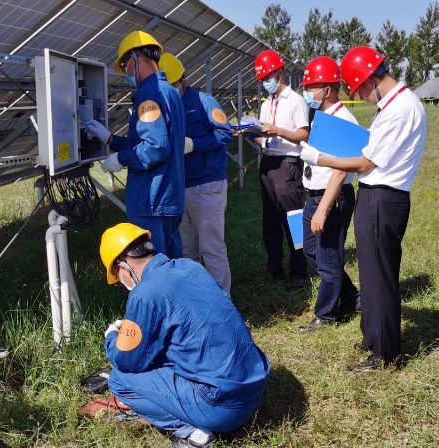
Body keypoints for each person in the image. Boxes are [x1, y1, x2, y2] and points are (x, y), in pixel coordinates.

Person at [300, 47, 427, 372]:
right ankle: (373, 337)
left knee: (379, 278)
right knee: (371, 277)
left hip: (383, 197)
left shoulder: (399, 109)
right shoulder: (397, 105)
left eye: (359, 90)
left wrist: (320, 158)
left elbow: (366, 163)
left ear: (370, 80)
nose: (360, 97)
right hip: (378, 196)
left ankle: (385, 355)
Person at [99, 223, 270, 447]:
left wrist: (112, 336)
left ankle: (194, 433)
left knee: (120, 379)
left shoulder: (144, 294)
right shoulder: (190, 267)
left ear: (122, 266)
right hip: (254, 388)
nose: (122, 284)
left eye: (117, 278)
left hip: (223, 407)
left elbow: (126, 359)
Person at [86, 31, 186, 259]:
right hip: (169, 196)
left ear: (135, 58)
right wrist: (109, 139)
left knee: (151, 266)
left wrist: (121, 159)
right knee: (171, 263)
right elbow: (147, 141)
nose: (126, 73)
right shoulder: (170, 92)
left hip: (151, 199)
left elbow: (155, 146)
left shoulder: (149, 93)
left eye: (125, 65)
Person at [158, 52, 233, 294]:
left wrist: (194, 144)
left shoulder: (204, 101)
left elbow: (225, 134)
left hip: (207, 184)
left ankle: (222, 300)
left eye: (172, 85)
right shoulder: (165, 107)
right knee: (186, 250)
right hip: (180, 186)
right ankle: (199, 298)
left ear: (183, 80)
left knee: (211, 247)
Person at [297, 56, 360, 333]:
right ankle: (352, 298)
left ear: (328, 89)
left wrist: (323, 209)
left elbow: (340, 171)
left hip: (332, 197)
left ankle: (326, 315)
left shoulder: (343, 120)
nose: (307, 92)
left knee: (328, 258)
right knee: (311, 252)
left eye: (311, 87)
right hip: (314, 195)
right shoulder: (322, 117)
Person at [253, 49, 310, 291]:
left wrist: (278, 130)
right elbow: (265, 138)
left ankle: (299, 272)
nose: (266, 82)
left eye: (268, 76)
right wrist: (251, 134)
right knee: (270, 221)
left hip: (288, 165)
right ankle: (274, 267)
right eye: (263, 79)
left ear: (279, 72)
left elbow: (303, 134)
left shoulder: (296, 101)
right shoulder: (267, 104)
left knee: (293, 219)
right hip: (268, 163)